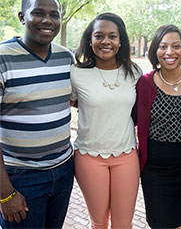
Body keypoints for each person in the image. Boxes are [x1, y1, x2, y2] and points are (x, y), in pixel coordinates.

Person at [0, 0, 75, 229]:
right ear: (22, 17)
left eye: (54, 15)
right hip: (21, 177)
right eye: (38, 13)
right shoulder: (3, 58)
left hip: (63, 171)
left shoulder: (66, 58)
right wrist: (5, 194)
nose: (47, 20)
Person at [70, 12, 142, 229]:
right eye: (99, 36)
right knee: (99, 223)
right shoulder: (76, 73)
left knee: (123, 224)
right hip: (89, 157)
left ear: (121, 41)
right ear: (90, 40)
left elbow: (138, 111)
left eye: (112, 36)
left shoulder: (135, 72)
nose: (106, 41)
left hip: (126, 156)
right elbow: (73, 102)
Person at [135, 24, 181, 228]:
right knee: (163, 223)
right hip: (156, 170)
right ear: (155, 51)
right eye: (163, 46)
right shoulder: (144, 83)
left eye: (176, 46)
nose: (170, 52)